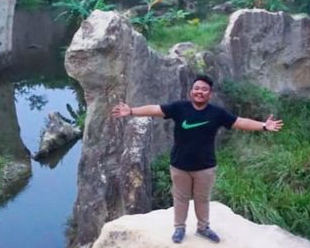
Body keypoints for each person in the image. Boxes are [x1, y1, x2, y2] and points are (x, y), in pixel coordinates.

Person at [111, 74, 283, 244]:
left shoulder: (217, 113)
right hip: (179, 165)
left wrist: (263, 126)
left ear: (210, 93)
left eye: (204, 89)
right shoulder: (180, 108)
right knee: (180, 198)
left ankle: (203, 228)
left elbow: (240, 122)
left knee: (202, 199)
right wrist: (131, 111)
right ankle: (179, 228)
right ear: (191, 91)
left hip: (205, 167)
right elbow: (156, 110)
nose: (200, 92)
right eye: (197, 88)